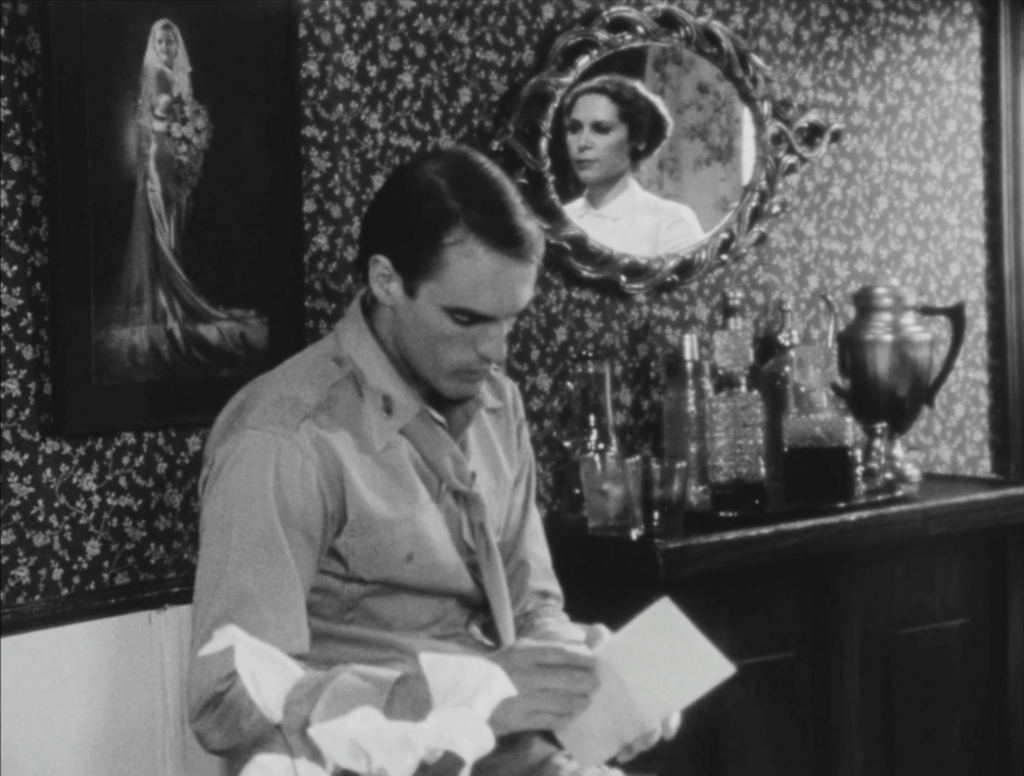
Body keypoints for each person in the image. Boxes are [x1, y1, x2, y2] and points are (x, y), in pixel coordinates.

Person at [187, 146, 680, 775]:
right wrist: (449, 700)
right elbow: (225, 703)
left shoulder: (500, 405)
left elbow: (534, 611)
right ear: (387, 281)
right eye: (467, 319)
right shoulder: (283, 440)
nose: (496, 352)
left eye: (512, 321)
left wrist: (587, 681)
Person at [106, 18, 261, 382]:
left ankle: (170, 292)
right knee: (161, 219)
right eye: (160, 42)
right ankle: (164, 300)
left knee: (176, 217)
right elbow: (153, 122)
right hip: (159, 157)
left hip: (173, 155)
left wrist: (188, 132)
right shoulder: (155, 73)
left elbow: (180, 116)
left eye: (170, 43)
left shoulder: (175, 73)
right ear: (153, 45)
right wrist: (178, 124)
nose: (166, 49)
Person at [562, 74, 704, 258]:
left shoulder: (670, 222)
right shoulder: (558, 221)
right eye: (574, 129)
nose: (582, 143)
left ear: (638, 139)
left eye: (601, 129)